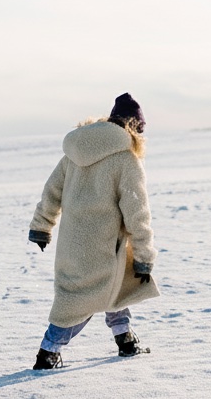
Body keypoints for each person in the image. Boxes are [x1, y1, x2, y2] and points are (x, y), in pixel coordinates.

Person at [27, 93, 159, 370]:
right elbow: (137, 212)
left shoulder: (75, 153)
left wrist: (41, 226)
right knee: (79, 302)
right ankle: (48, 352)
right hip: (104, 245)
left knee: (114, 287)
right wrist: (144, 256)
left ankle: (125, 338)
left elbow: (52, 192)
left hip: (71, 243)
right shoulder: (125, 159)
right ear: (134, 127)